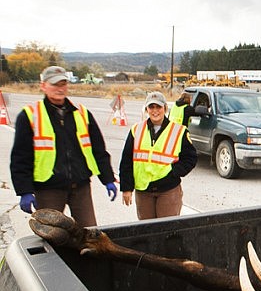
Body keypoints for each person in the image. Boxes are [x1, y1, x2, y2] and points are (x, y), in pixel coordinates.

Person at [10, 65, 118, 227]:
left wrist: (107, 178)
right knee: (51, 236)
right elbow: (20, 157)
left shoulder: (81, 113)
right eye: (55, 84)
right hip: (48, 189)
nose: (60, 89)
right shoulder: (30, 115)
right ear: (43, 86)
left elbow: (98, 150)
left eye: (63, 84)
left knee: (90, 234)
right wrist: (24, 191)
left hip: (80, 187)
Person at [120, 91, 197, 220]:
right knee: (147, 231)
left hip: (168, 189)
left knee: (167, 232)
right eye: (151, 107)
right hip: (143, 190)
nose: (155, 111)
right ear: (146, 110)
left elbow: (191, 158)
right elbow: (126, 161)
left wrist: (174, 172)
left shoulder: (179, 131)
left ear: (165, 108)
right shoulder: (136, 130)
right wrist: (126, 188)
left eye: (158, 107)